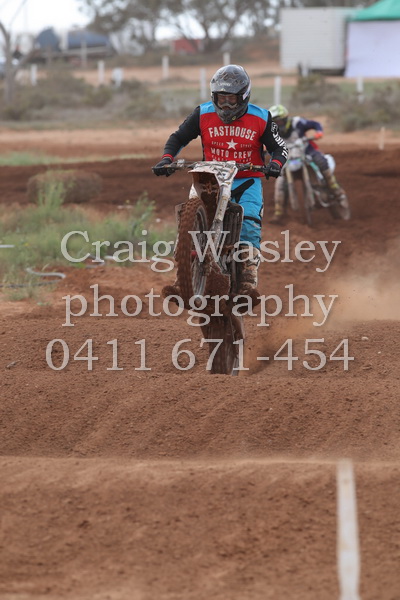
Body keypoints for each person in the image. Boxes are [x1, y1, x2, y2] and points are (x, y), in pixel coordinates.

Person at [152, 64, 288, 296]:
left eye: (231, 99)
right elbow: (178, 137)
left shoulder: (261, 117)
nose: (225, 105)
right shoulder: (202, 113)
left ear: (243, 96)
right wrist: (167, 159)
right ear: (213, 96)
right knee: (187, 218)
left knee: (249, 223)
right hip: (209, 177)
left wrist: (275, 164)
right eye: (220, 98)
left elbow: (279, 148)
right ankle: (182, 279)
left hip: (246, 180)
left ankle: (247, 282)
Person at [268, 104, 348, 224]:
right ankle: (279, 212)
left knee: (321, 161)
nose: (278, 124)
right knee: (280, 180)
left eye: (279, 121)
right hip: (288, 157)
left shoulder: (297, 123)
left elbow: (315, 124)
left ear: (285, 119)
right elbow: (266, 141)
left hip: (306, 150)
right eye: (275, 122)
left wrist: (318, 132)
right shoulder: (272, 131)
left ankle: (335, 189)